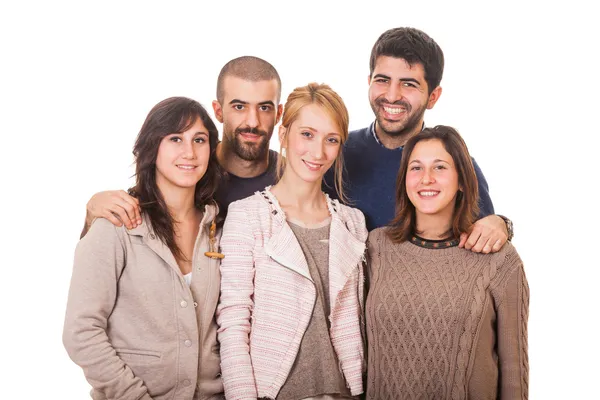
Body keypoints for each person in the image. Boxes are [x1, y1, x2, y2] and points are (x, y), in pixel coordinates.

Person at [63, 97, 225, 399]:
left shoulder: (220, 229)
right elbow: (81, 332)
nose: (189, 152)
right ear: (153, 147)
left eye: (199, 139)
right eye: (175, 138)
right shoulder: (115, 226)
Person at [217, 83, 366, 400]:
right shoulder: (248, 216)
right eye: (307, 134)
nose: (318, 152)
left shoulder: (353, 223)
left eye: (331, 140)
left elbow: (358, 323)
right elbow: (233, 324)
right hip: (272, 393)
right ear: (283, 135)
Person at [365, 125, 529, 399]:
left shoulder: (499, 259)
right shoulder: (375, 247)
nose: (426, 179)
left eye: (439, 167)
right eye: (416, 168)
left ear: (462, 179)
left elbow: (514, 373)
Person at [324, 27, 512, 254]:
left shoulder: (455, 166)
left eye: (409, 84)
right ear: (369, 81)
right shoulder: (334, 152)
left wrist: (501, 224)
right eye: (382, 80)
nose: (392, 95)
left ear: (433, 97)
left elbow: (485, 242)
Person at [80, 56, 282, 236]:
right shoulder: (190, 168)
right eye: (239, 107)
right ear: (218, 111)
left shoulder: (296, 177)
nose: (253, 122)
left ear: (278, 114)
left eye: (264, 108)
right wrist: (92, 217)